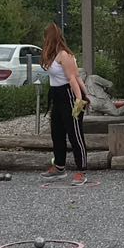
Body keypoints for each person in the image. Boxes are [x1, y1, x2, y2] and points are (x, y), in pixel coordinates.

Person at [40, 23, 87, 185]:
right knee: (57, 132)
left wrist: (81, 98)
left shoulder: (64, 55)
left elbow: (73, 78)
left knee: (75, 134)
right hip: (56, 95)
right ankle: (59, 166)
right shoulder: (52, 55)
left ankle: (81, 171)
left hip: (69, 95)